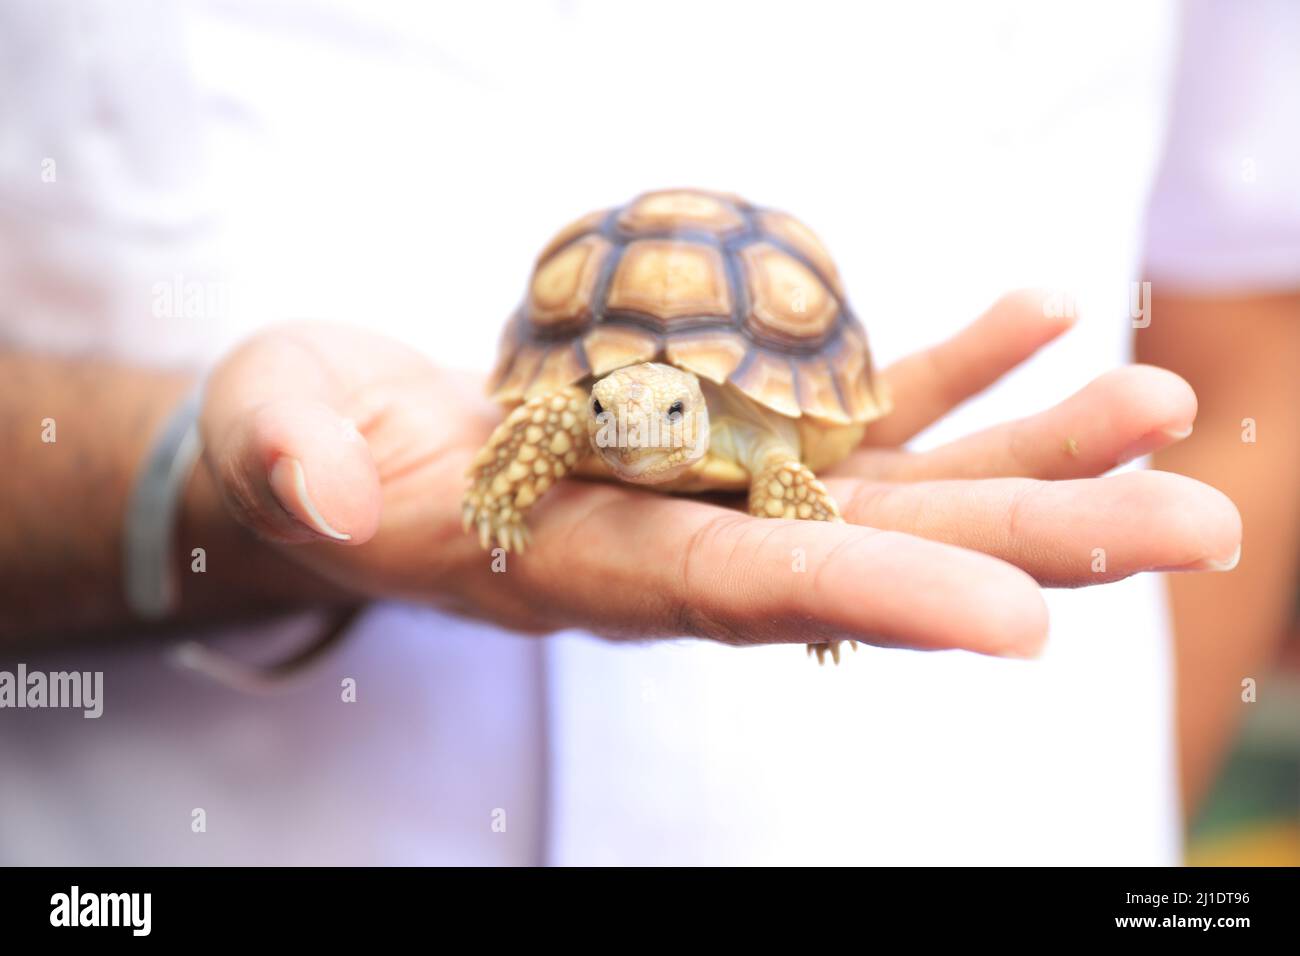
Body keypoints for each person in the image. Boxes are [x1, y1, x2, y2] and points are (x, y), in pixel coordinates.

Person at [0, 0, 1284, 865]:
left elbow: (1256, 324)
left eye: (655, 410)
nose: (632, 419)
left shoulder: (762, 436)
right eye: (615, 405)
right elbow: (560, 410)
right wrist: (200, 498)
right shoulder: (586, 406)